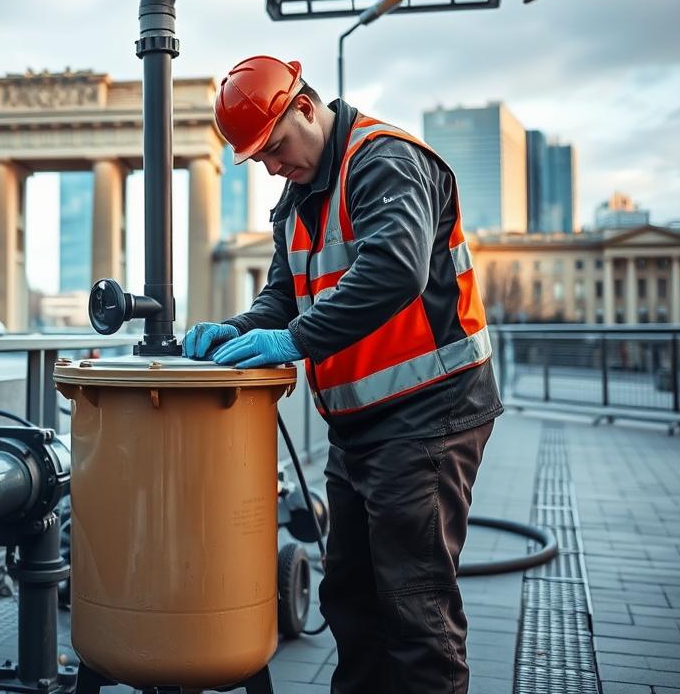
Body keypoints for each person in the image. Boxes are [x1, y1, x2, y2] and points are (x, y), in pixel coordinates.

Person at [184, 55, 502, 694]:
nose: (273, 166)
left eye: (274, 148)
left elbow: (394, 269)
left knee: (414, 608)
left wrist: (293, 340)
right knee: (351, 598)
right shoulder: (296, 200)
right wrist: (243, 328)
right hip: (360, 423)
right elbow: (283, 297)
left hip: (429, 411)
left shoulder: (383, 161)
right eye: (260, 160)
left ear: (305, 107)